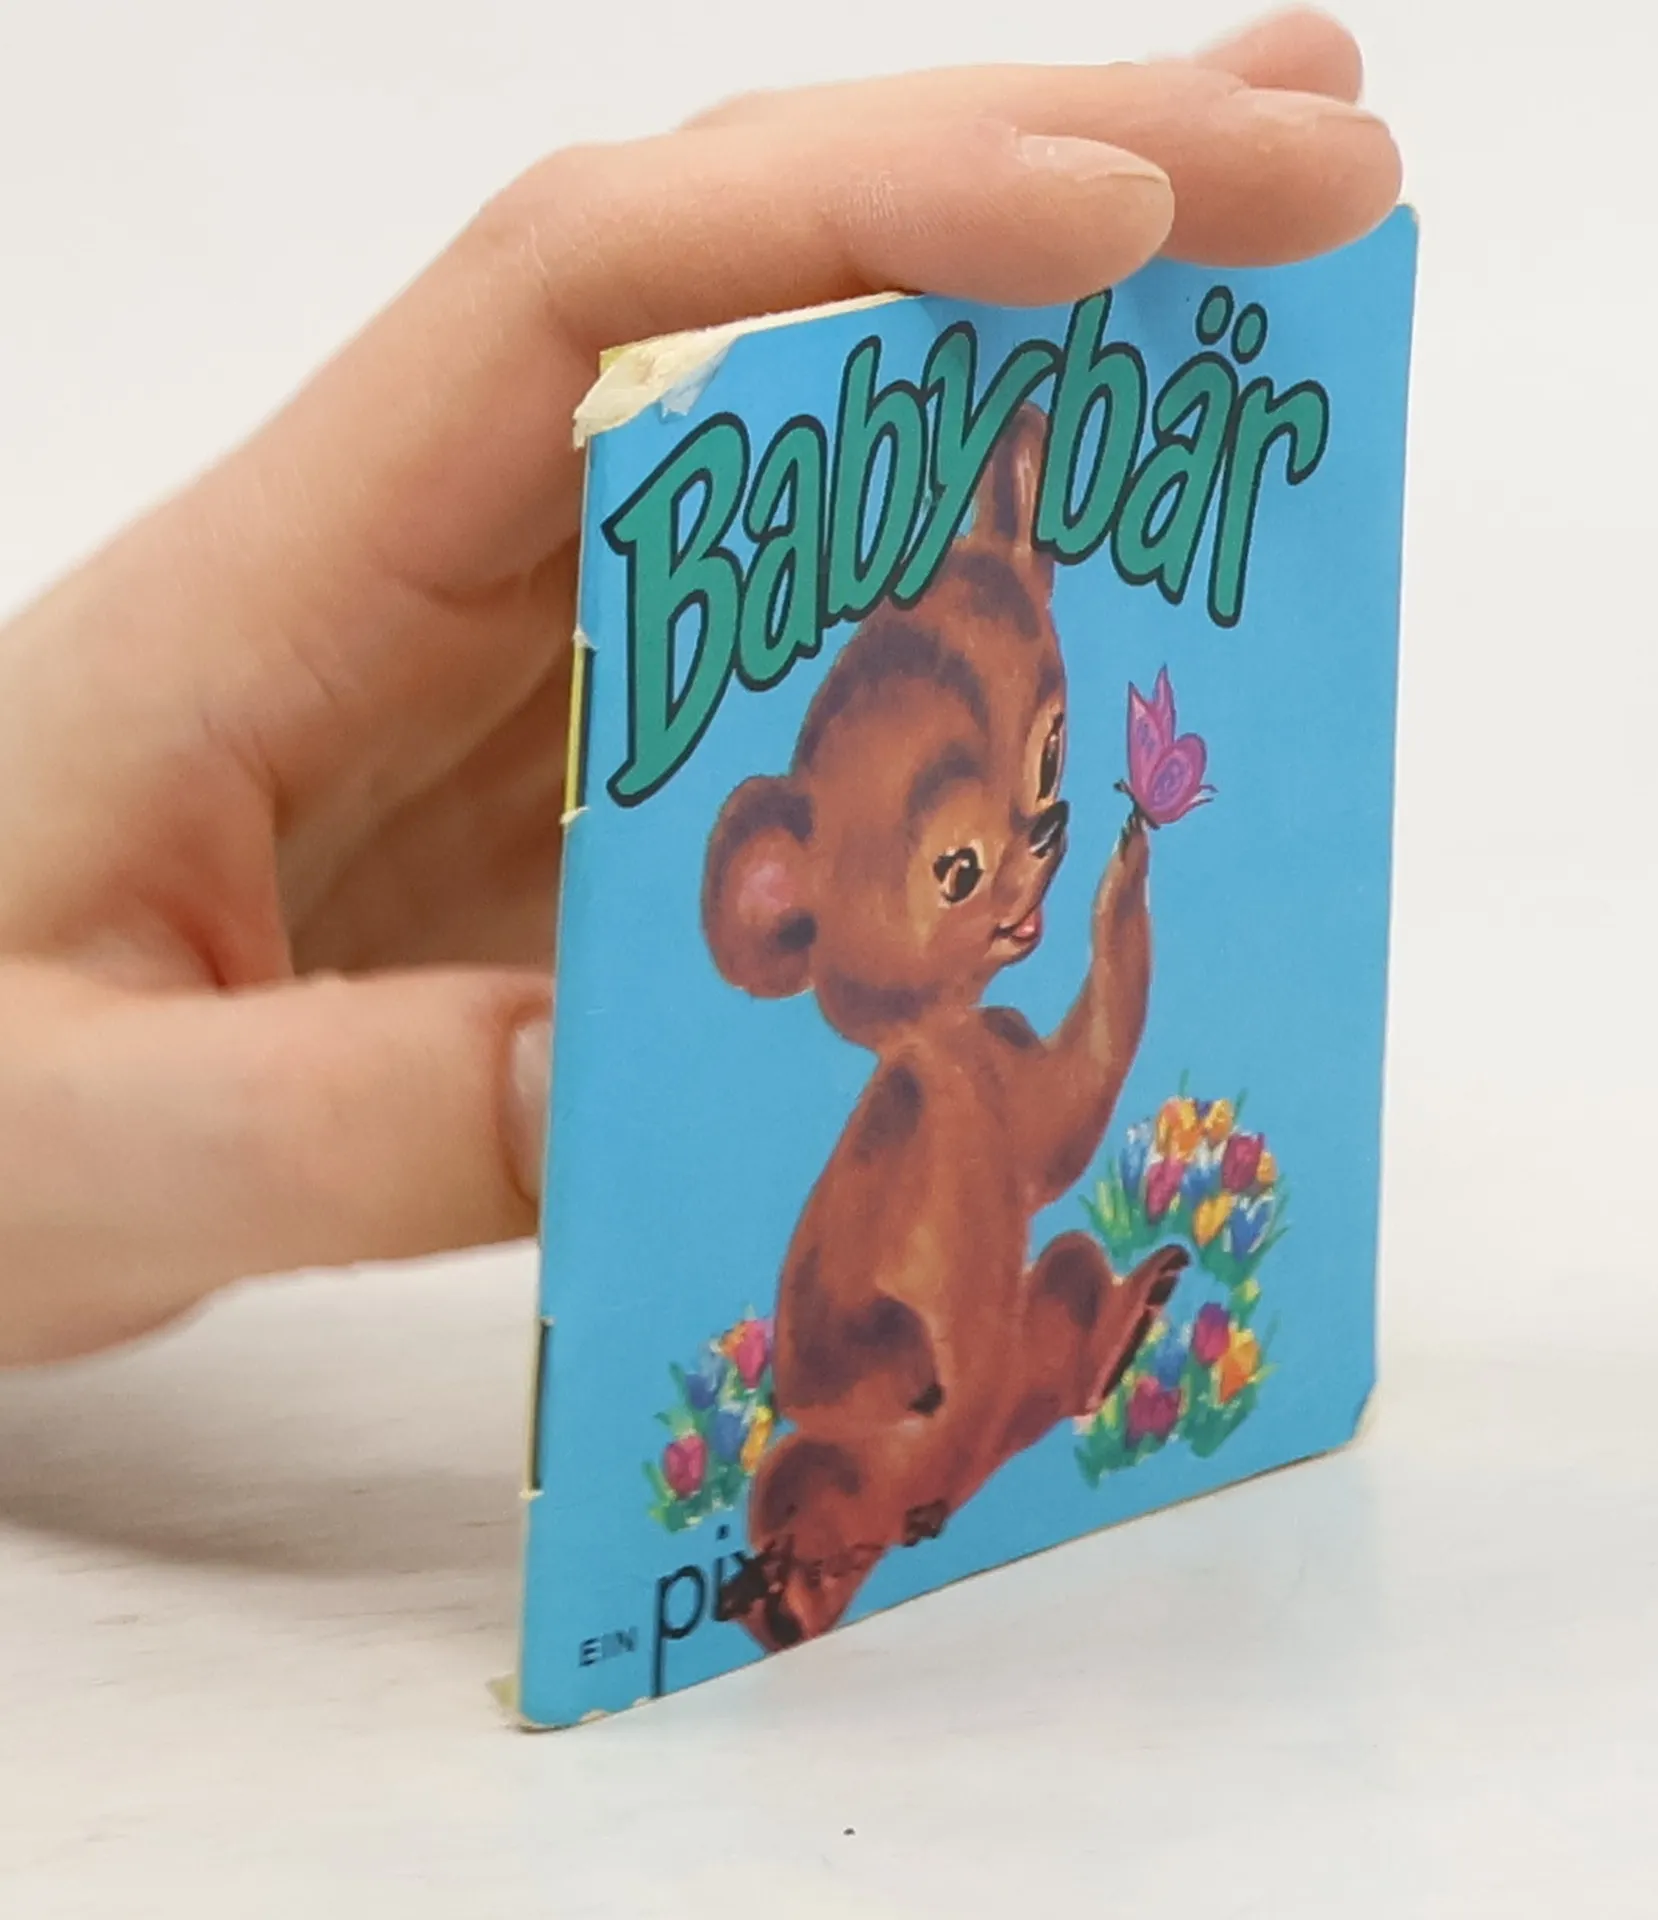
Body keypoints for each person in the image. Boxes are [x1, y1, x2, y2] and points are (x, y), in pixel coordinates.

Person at [0, 9, 1400, 1366]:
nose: (1034, 852)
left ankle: (1064, 1362)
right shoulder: (898, 1115)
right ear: (778, 895)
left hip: (990, 1404)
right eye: (961, 862)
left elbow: (1073, 1105)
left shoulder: (992, 1059)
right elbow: (831, 1301)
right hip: (872, 1430)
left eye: (1041, 780)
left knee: (1074, 1289)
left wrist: (1120, 921)